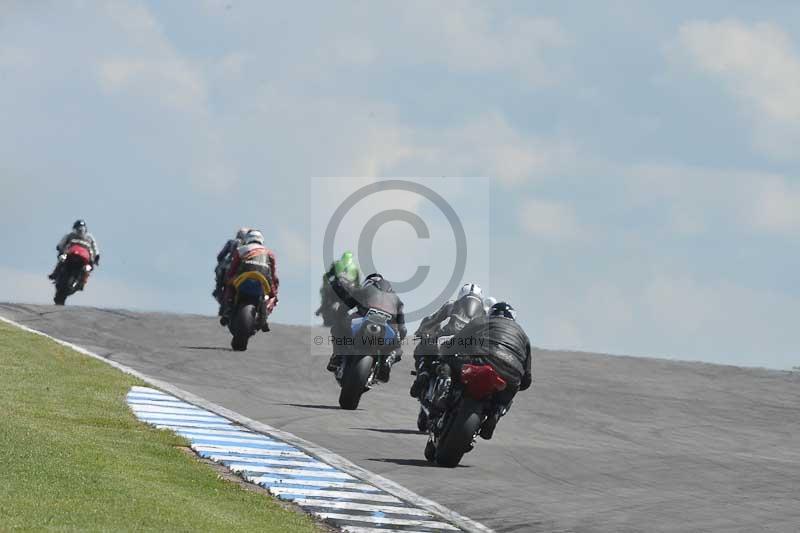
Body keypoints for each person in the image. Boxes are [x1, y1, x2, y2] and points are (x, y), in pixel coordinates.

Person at [438, 301, 532, 440]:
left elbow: (459, 340)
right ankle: (496, 413)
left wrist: (446, 350)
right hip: (511, 375)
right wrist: (518, 384)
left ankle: (447, 394)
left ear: (491, 313)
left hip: (483, 361)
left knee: (451, 361)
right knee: (507, 394)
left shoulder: (482, 321)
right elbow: (527, 377)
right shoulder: (523, 336)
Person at [410, 283, 486, 398]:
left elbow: (434, 320)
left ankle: (424, 373)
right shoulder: (484, 315)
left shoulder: (451, 305)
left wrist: (422, 331)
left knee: (423, 347)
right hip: (468, 348)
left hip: (445, 340)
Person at [325, 272, 406, 376]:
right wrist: (399, 337)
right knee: (396, 348)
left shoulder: (363, 291)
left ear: (368, 282)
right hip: (387, 328)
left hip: (364, 320)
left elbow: (344, 307)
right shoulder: (397, 300)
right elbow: (402, 328)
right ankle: (387, 361)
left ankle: (338, 355)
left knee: (337, 328)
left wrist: (339, 317)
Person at [219, 229, 279, 331]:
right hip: (263, 280)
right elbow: (273, 275)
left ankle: (228, 310)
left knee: (229, 285)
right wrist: (274, 293)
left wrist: (227, 279)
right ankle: (264, 318)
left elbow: (232, 269)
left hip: (244, 278)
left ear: (247, 239)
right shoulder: (270, 253)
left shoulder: (241, 250)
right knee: (272, 297)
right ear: (261, 240)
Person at [48, 219, 100, 284]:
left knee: (89, 267)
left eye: (82, 228)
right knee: (62, 259)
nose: (80, 230)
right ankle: (55, 274)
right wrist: (60, 247)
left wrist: (97, 256)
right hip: (70, 253)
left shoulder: (89, 237)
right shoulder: (70, 235)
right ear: (74, 229)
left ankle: (83, 280)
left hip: (85, 257)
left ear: (85, 229)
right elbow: (62, 242)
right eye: (78, 228)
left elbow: (95, 247)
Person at [315, 251, 360, 322]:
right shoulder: (355, 267)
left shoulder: (337, 264)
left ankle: (322, 308)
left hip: (336, 286)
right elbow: (358, 283)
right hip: (349, 289)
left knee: (325, 294)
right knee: (356, 301)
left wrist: (325, 285)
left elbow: (327, 276)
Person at [213, 227, 250, 303]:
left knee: (220, 272)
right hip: (242, 270)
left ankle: (218, 289)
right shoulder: (249, 246)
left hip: (229, 268)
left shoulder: (232, 242)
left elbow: (220, 256)